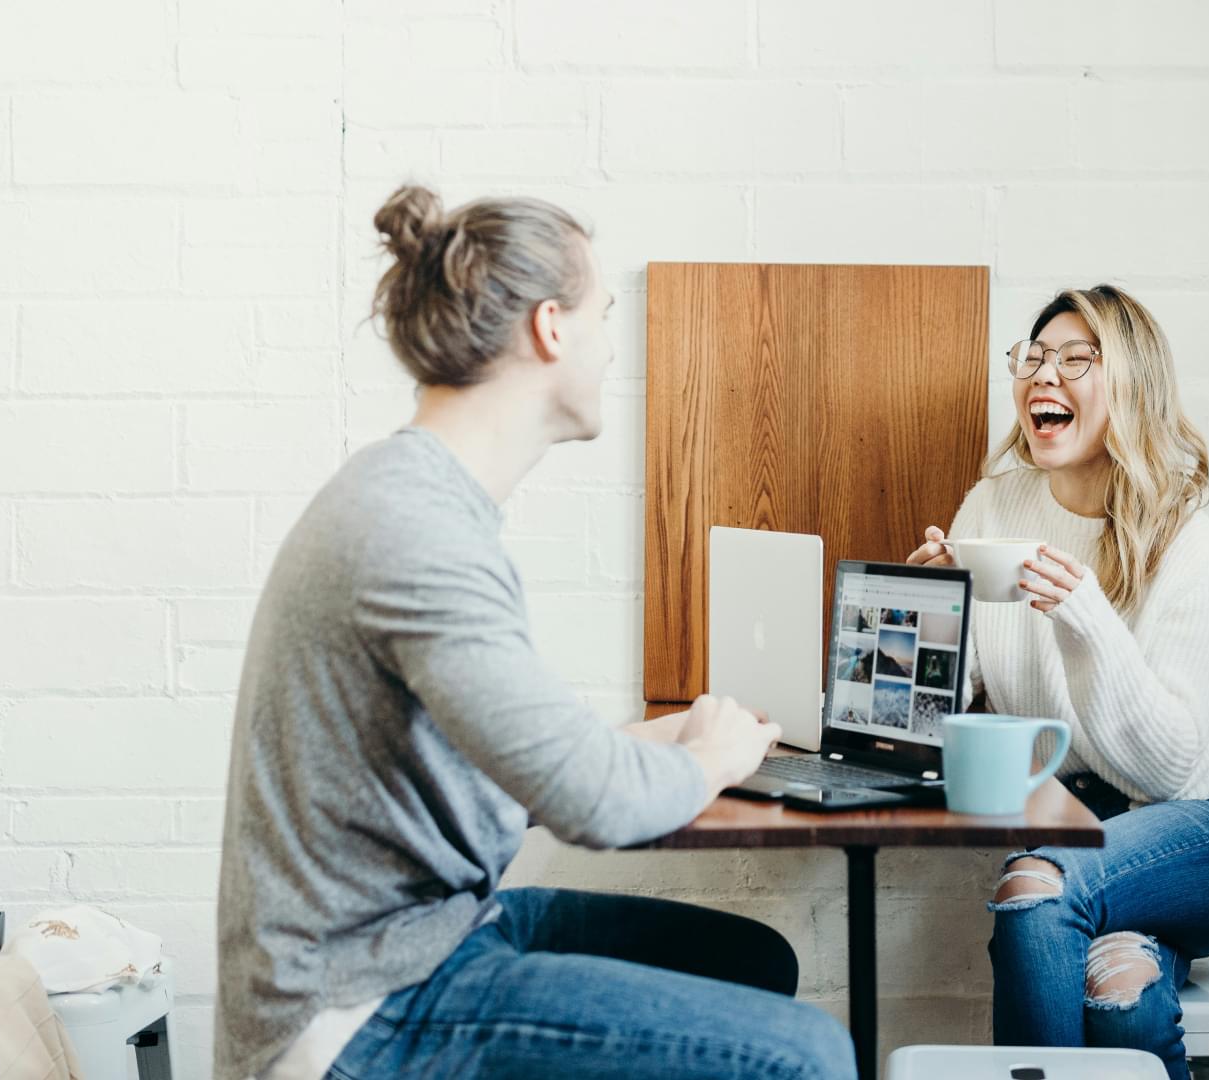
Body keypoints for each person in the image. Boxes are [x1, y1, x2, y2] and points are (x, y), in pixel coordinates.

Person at [216, 184, 856, 1080]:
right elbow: (595, 804)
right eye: (605, 314)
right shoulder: (414, 533)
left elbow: (515, 758)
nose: (612, 344)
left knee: (756, 963)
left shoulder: (423, 501)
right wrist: (708, 758)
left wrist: (666, 735)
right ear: (552, 329)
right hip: (358, 1009)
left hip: (430, 940)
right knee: (810, 1056)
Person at [907, 285, 1209, 1079]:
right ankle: (1138, 955)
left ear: (1132, 385)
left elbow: (1169, 768)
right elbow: (966, 696)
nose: (1045, 374)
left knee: (1033, 891)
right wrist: (934, 612)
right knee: (1123, 989)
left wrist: (1086, 616)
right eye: (1034, 357)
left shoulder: (1187, 540)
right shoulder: (993, 504)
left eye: (1077, 359)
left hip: (1202, 830)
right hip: (1081, 821)